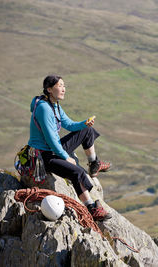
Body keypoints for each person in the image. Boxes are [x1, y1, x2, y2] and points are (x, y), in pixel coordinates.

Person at [28, 75, 112, 221]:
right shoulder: (44, 108)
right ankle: (92, 208)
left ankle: (94, 164)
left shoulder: (54, 105)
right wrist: (65, 157)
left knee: (87, 131)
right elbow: (50, 139)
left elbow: (69, 125)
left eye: (64, 85)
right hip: (43, 156)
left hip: (52, 149)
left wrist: (84, 124)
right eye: (60, 86)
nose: (63, 89)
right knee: (77, 172)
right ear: (49, 89)